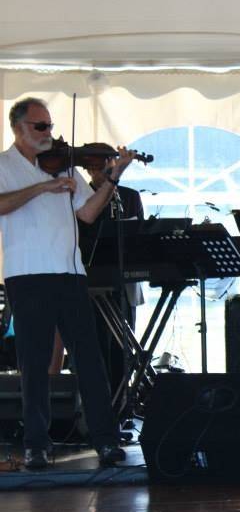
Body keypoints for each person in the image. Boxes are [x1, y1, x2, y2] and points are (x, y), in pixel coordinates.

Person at [0, 97, 133, 470]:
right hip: (27, 274)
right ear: (18, 128)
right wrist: (42, 189)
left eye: (50, 126)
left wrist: (112, 178)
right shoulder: (4, 165)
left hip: (70, 274)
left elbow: (89, 213)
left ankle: (104, 441)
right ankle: (36, 445)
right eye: (40, 127)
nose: (49, 134)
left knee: (89, 360)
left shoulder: (66, 168)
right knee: (35, 361)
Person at [77, 161, 145, 395]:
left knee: (124, 345)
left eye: (108, 167)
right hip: (94, 279)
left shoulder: (129, 196)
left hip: (125, 280)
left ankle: (124, 399)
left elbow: (140, 235)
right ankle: (102, 403)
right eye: (98, 168)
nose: (102, 172)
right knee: (96, 344)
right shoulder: (81, 196)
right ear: (89, 170)